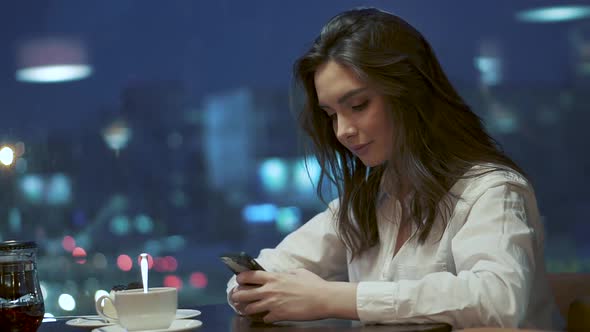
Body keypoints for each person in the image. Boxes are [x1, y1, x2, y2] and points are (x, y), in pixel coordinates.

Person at [226, 7, 558, 330]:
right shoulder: (366, 203)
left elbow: (497, 301)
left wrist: (333, 298)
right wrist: (249, 288)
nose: (342, 131)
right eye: (330, 114)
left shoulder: (490, 191)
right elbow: (264, 269)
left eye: (358, 105)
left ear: (410, 94)